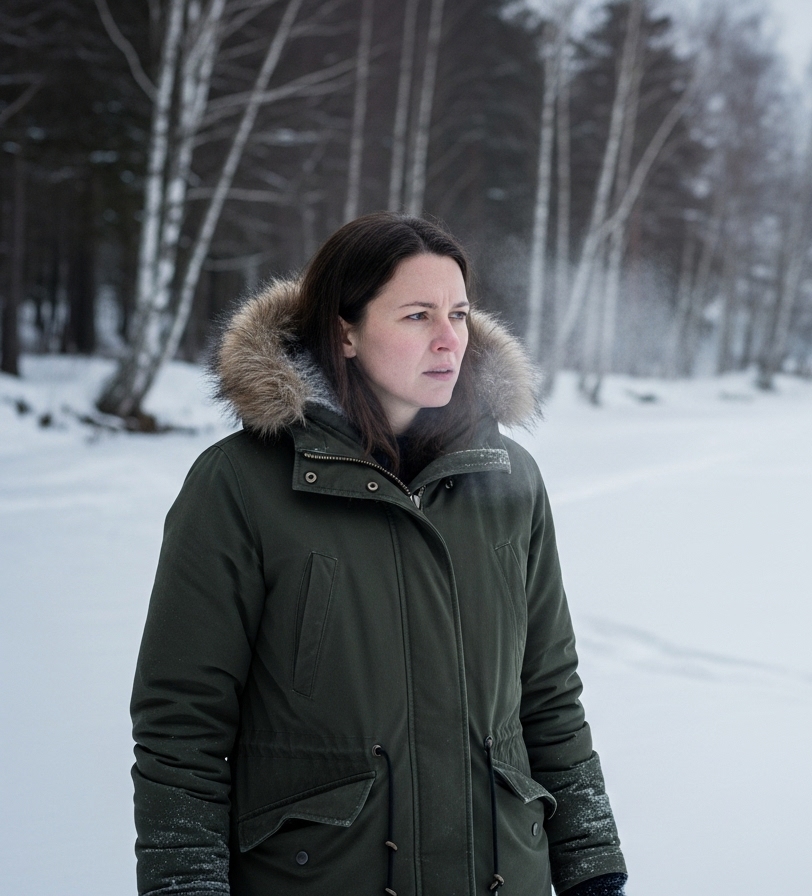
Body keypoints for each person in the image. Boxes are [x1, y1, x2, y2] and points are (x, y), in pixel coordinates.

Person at [130, 213, 628, 896]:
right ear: (346, 331)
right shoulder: (242, 485)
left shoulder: (511, 481)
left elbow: (549, 695)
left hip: (503, 872)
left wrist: (593, 865)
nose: (450, 339)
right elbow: (181, 720)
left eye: (459, 313)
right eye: (418, 315)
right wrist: (184, 884)